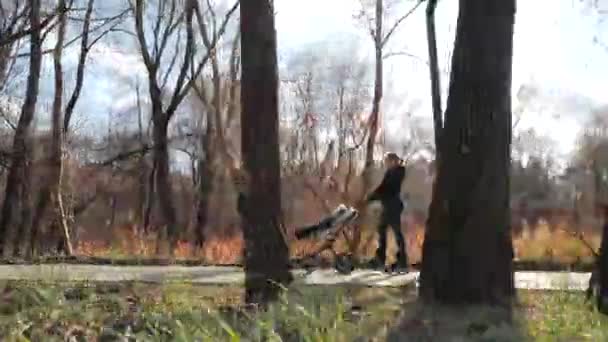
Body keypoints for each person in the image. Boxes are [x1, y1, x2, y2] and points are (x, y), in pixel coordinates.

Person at [365, 152, 408, 272]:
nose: (386, 164)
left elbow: (387, 188)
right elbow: (382, 187)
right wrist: (371, 197)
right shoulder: (390, 172)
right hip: (387, 205)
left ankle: (402, 261)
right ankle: (380, 259)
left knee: (397, 233)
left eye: (387, 161)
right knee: (381, 230)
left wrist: (374, 196)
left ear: (393, 161)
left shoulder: (398, 172)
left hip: (393, 205)